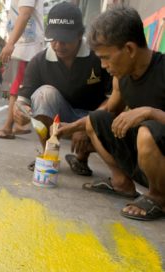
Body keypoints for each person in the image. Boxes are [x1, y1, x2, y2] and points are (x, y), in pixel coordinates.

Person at [68, 5, 164, 221]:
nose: (103, 66)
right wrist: (73, 127)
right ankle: (121, 183)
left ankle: (158, 198)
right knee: (96, 120)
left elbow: (149, 122)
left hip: (158, 155)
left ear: (129, 49)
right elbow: (108, 111)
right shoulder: (121, 78)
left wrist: (150, 112)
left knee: (146, 132)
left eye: (106, 58)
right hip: (145, 163)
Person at [13, 2, 111, 174]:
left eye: (65, 40)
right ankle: (48, 155)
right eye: (54, 39)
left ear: (80, 35)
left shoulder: (99, 57)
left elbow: (114, 99)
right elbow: (22, 101)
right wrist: (21, 112)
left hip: (94, 118)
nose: (58, 45)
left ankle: (81, 159)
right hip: (60, 119)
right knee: (44, 94)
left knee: (115, 120)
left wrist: (87, 125)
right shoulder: (39, 61)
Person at [0, 0, 44, 139]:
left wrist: (10, 43)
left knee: (16, 89)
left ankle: (7, 128)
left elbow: (24, 14)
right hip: (25, 45)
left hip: (26, 46)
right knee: (20, 87)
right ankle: (19, 125)